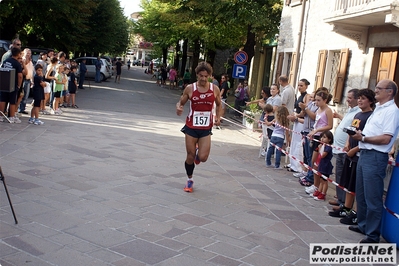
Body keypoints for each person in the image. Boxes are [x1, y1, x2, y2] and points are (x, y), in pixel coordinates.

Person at [350, 79, 399, 243]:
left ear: (390, 92)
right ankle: (363, 225)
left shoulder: (392, 111)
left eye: (379, 88)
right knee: (362, 193)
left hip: (376, 156)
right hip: (365, 153)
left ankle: (372, 235)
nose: (375, 90)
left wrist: (363, 137)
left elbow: (386, 138)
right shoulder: (379, 109)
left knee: (373, 197)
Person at [176, 62, 222, 193]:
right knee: (190, 155)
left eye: (206, 76)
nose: (203, 79)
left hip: (205, 128)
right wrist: (179, 107)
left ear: (210, 76)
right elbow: (181, 102)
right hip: (191, 126)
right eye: (200, 76)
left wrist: (218, 117)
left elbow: (219, 105)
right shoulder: (190, 88)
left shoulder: (214, 89)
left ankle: (198, 152)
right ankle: (189, 180)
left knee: (203, 158)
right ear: (197, 75)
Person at [329, 89, 374, 218]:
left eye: (363, 98)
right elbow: (352, 130)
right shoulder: (358, 115)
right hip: (350, 152)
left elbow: (368, 136)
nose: (359, 100)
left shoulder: (370, 116)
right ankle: (345, 206)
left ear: (370, 101)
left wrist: (355, 149)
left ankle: (352, 210)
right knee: (347, 181)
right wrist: (348, 143)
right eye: (359, 98)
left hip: (358, 154)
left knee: (355, 184)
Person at [329, 89, 360, 208]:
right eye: (347, 97)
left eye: (350, 98)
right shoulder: (350, 111)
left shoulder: (357, 113)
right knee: (339, 175)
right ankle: (339, 198)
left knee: (344, 176)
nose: (347, 100)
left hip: (345, 149)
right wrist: (339, 116)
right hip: (339, 148)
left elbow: (353, 129)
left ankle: (344, 203)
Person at [306, 90, 333, 195]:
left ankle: (317, 186)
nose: (316, 102)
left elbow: (330, 125)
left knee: (318, 163)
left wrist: (317, 130)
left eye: (319, 100)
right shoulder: (318, 109)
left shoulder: (328, 110)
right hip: (315, 136)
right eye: (315, 100)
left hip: (322, 137)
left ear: (325, 100)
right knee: (313, 162)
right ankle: (314, 184)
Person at [287, 78, 310, 173]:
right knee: (294, 142)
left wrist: (296, 116)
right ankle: (292, 162)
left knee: (298, 143)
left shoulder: (307, 96)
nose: (299, 87)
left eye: (302, 85)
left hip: (301, 121)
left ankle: (298, 165)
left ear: (306, 86)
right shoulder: (299, 96)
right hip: (296, 119)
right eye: (299, 85)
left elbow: (305, 111)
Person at [0, 47, 23, 123]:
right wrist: (19, 85)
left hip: (4, 83)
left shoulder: (6, 61)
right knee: (12, 101)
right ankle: (11, 117)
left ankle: (1, 116)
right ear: (18, 54)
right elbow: (20, 76)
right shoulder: (17, 63)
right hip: (13, 85)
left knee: (2, 99)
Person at [312, 130, 334, 201]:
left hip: (325, 165)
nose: (322, 139)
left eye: (324, 137)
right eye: (321, 137)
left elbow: (323, 155)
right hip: (321, 165)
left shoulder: (328, 147)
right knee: (321, 180)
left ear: (329, 139)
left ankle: (323, 193)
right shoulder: (323, 145)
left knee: (324, 181)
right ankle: (319, 190)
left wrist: (320, 148)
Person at [19, 48, 34, 114]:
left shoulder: (30, 61)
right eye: (27, 53)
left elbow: (31, 71)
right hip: (23, 79)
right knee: (22, 95)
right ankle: (20, 109)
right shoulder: (22, 60)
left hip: (28, 80)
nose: (28, 54)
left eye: (29, 53)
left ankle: (22, 108)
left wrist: (32, 80)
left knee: (26, 95)